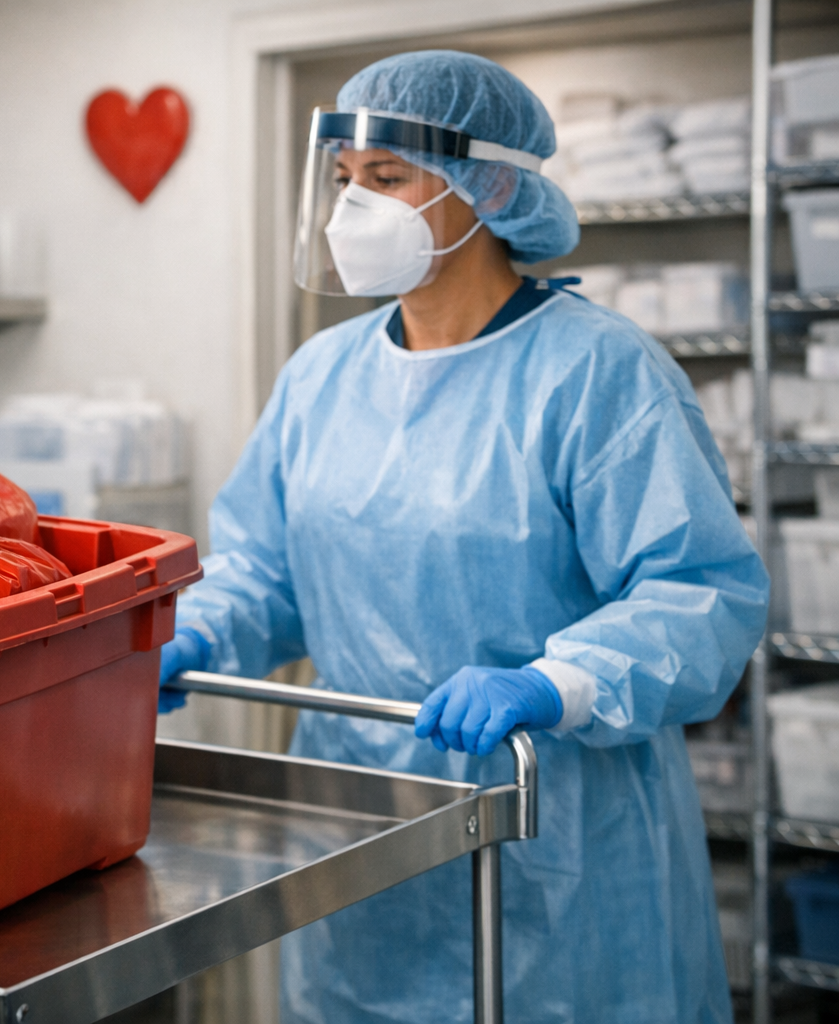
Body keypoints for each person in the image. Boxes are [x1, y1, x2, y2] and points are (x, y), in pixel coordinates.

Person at [160, 50, 768, 1024]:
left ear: (485, 187)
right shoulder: (321, 377)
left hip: (555, 839)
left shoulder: (599, 372)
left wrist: (553, 682)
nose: (351, 208)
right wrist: (194, 634)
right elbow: (270, 568)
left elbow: (698, 595)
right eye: (344, 181)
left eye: (387, 179)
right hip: (359, 831)